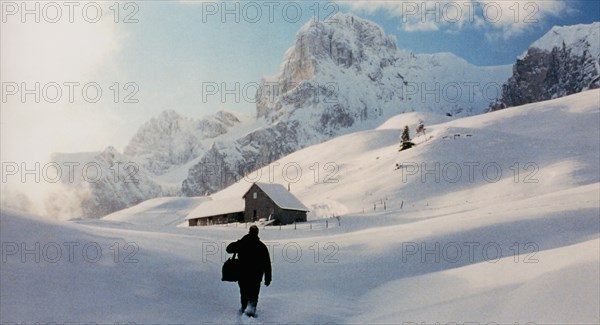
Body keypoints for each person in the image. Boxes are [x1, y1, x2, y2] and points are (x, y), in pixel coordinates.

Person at [226, 225, 272, 317]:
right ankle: (251, 310)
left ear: (249, 232)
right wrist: (268, 278)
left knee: (244, 292)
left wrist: (238, 242)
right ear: (257, 233)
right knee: (254, 293)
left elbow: (228, 249)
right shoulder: (261, 246)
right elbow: (267, 263)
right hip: (256, 275)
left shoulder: (242, 243)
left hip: (243, 274)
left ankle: (244, 307)